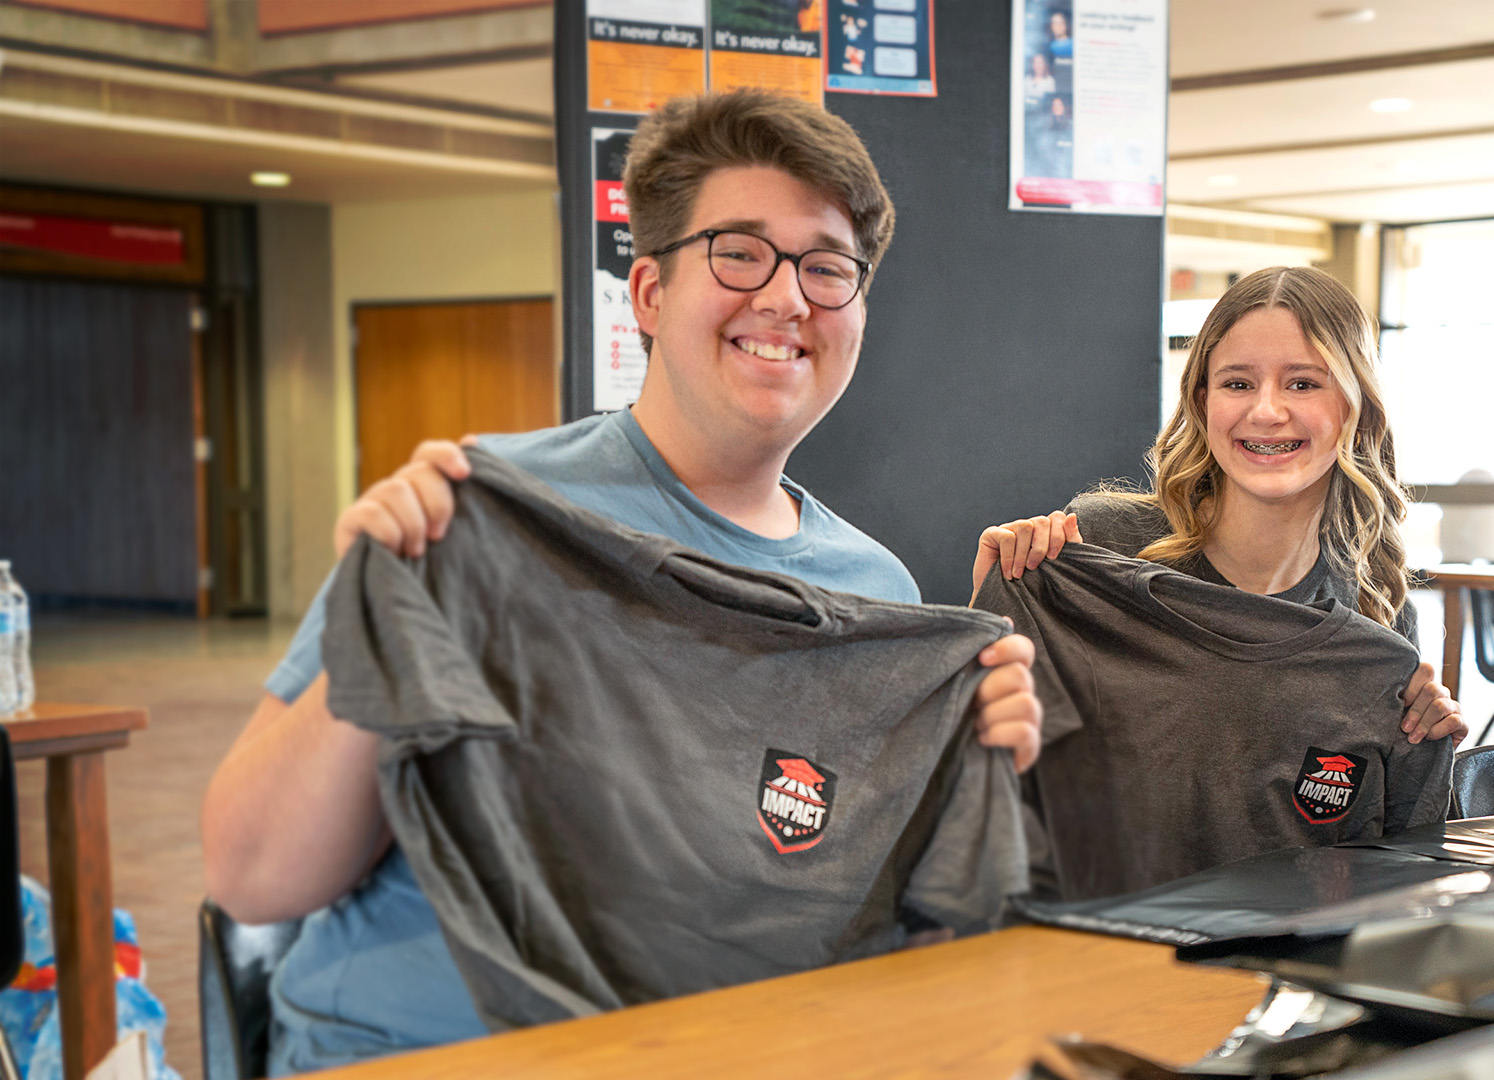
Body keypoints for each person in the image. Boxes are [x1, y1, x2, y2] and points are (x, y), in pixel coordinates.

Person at [202, 91, 1043, 1075]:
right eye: (739, 252)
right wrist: (398, 603)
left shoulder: (875, 599)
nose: (786, 298)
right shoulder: (484, 513)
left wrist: (961, 757)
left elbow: (869, 917)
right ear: (648, 292)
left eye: (827, 268)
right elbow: (251, 877)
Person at [971, 265, 1465, 745]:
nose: (1267, 411)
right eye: (1238, 383)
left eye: (1303, 383)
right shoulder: (1100, 544)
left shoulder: (1374, 601)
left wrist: (1428, 726)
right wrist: (989, 618)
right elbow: (983, 754)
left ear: (1357, 405)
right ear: (1203, 401)